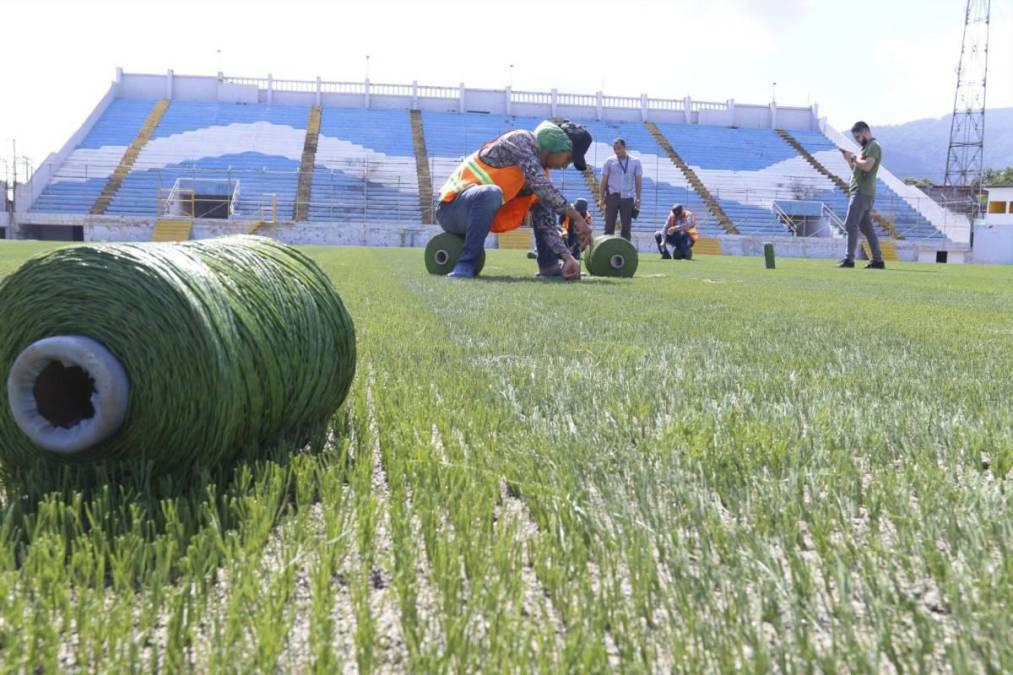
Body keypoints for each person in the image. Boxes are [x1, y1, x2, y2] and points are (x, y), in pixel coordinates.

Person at [436, 119, 593, 279]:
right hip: (452, 209)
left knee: (544, 205)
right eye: (568, 159)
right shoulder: (521, 140)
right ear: (557, 145)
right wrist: (578, 218)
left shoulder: (540, 174)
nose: (565, 166)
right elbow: (544, 188)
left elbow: (546, 222)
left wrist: (568, 257)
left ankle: (549, 266)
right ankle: (465, 264)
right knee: (492, 192)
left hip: (477, 216)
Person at [838, 121, 885, 269]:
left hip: (862, 191)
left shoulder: (873, 146)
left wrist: (853, 158)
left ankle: (849, 259)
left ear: (865, 132)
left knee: (850, 224)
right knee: (866, 229)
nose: (857, 140)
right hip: (862, 191)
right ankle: (878, 260)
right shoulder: (865, 148)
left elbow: (867, 166)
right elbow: (858, 170)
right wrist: (849, 160)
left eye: (858, 136)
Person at [598, 138, 642, 241]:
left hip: (627, 197)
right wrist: (601, 198)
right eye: (615, 149)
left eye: (619, 148)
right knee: (609, 225)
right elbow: (603, 180)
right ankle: (607, 248)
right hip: (612, 196)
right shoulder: (609, 161)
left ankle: (626, 251)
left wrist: (638, 198)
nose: (617, 151)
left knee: (626, 226)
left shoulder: (635, 162)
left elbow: (638, 181)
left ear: (624, 147)